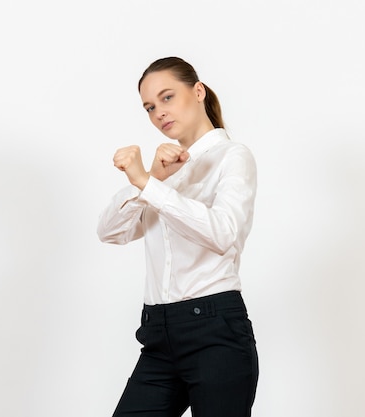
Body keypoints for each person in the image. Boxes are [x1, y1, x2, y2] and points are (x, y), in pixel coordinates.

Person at [96, 56, 259, 417]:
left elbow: (223, 233)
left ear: (197, 91)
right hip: (157, 334)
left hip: (215, 331)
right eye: (150, 107)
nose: (159, 113)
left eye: (167, 97)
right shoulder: (162, 170)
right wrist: (153, 177)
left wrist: (147, 183)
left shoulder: (232, 156)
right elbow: (109, 232)